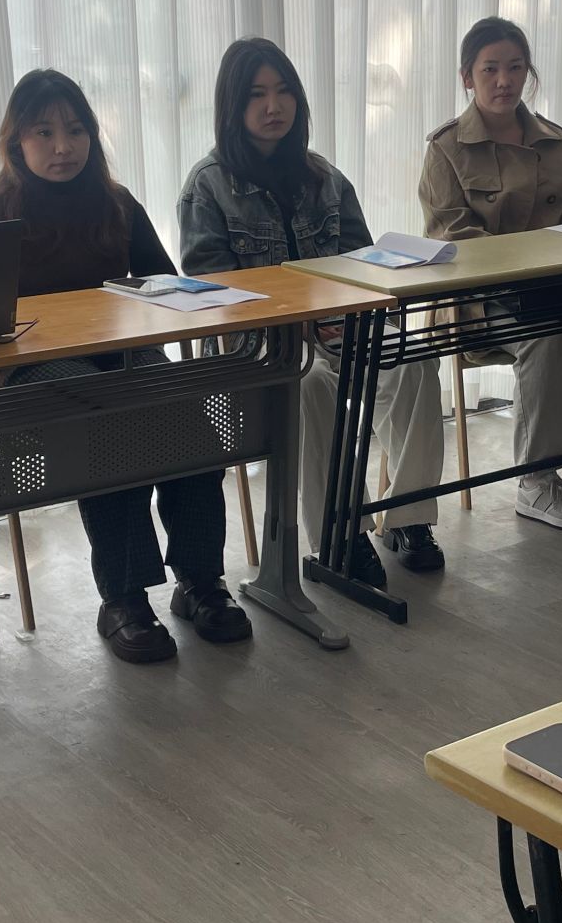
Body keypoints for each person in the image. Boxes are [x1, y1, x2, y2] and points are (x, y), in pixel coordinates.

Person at [0, 68, 249, 662]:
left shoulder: (116, 203)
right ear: (16, 141)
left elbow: (164, 283)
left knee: (192, 421)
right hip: (36, 367)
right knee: (112, 426)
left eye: (75, 130)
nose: (62, 146)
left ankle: (200, 581)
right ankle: (123, 597)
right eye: (43, 133)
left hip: (125, 352)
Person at [178, 37, 446, 588]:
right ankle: (340, 533)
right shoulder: (208, 186)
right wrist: (292, 317)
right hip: (256, 345)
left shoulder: (324, 177)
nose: (273, 106)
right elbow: (214, 292)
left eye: (283, 92)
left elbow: (361, 263)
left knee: (414, 359)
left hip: (338, 325)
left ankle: (408, 518)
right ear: (232, 106)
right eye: (256, 95)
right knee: (309, 381)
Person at [421, 17, 562, 531]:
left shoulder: (555, 141)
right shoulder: (446, 148)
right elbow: (452, 236)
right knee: (546, 337)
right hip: (478, 299)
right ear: (467, 77)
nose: (504, 81)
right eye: (490, 69)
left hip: (552, 288)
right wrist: (526, 265)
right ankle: (537, 481)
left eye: (515, 68)